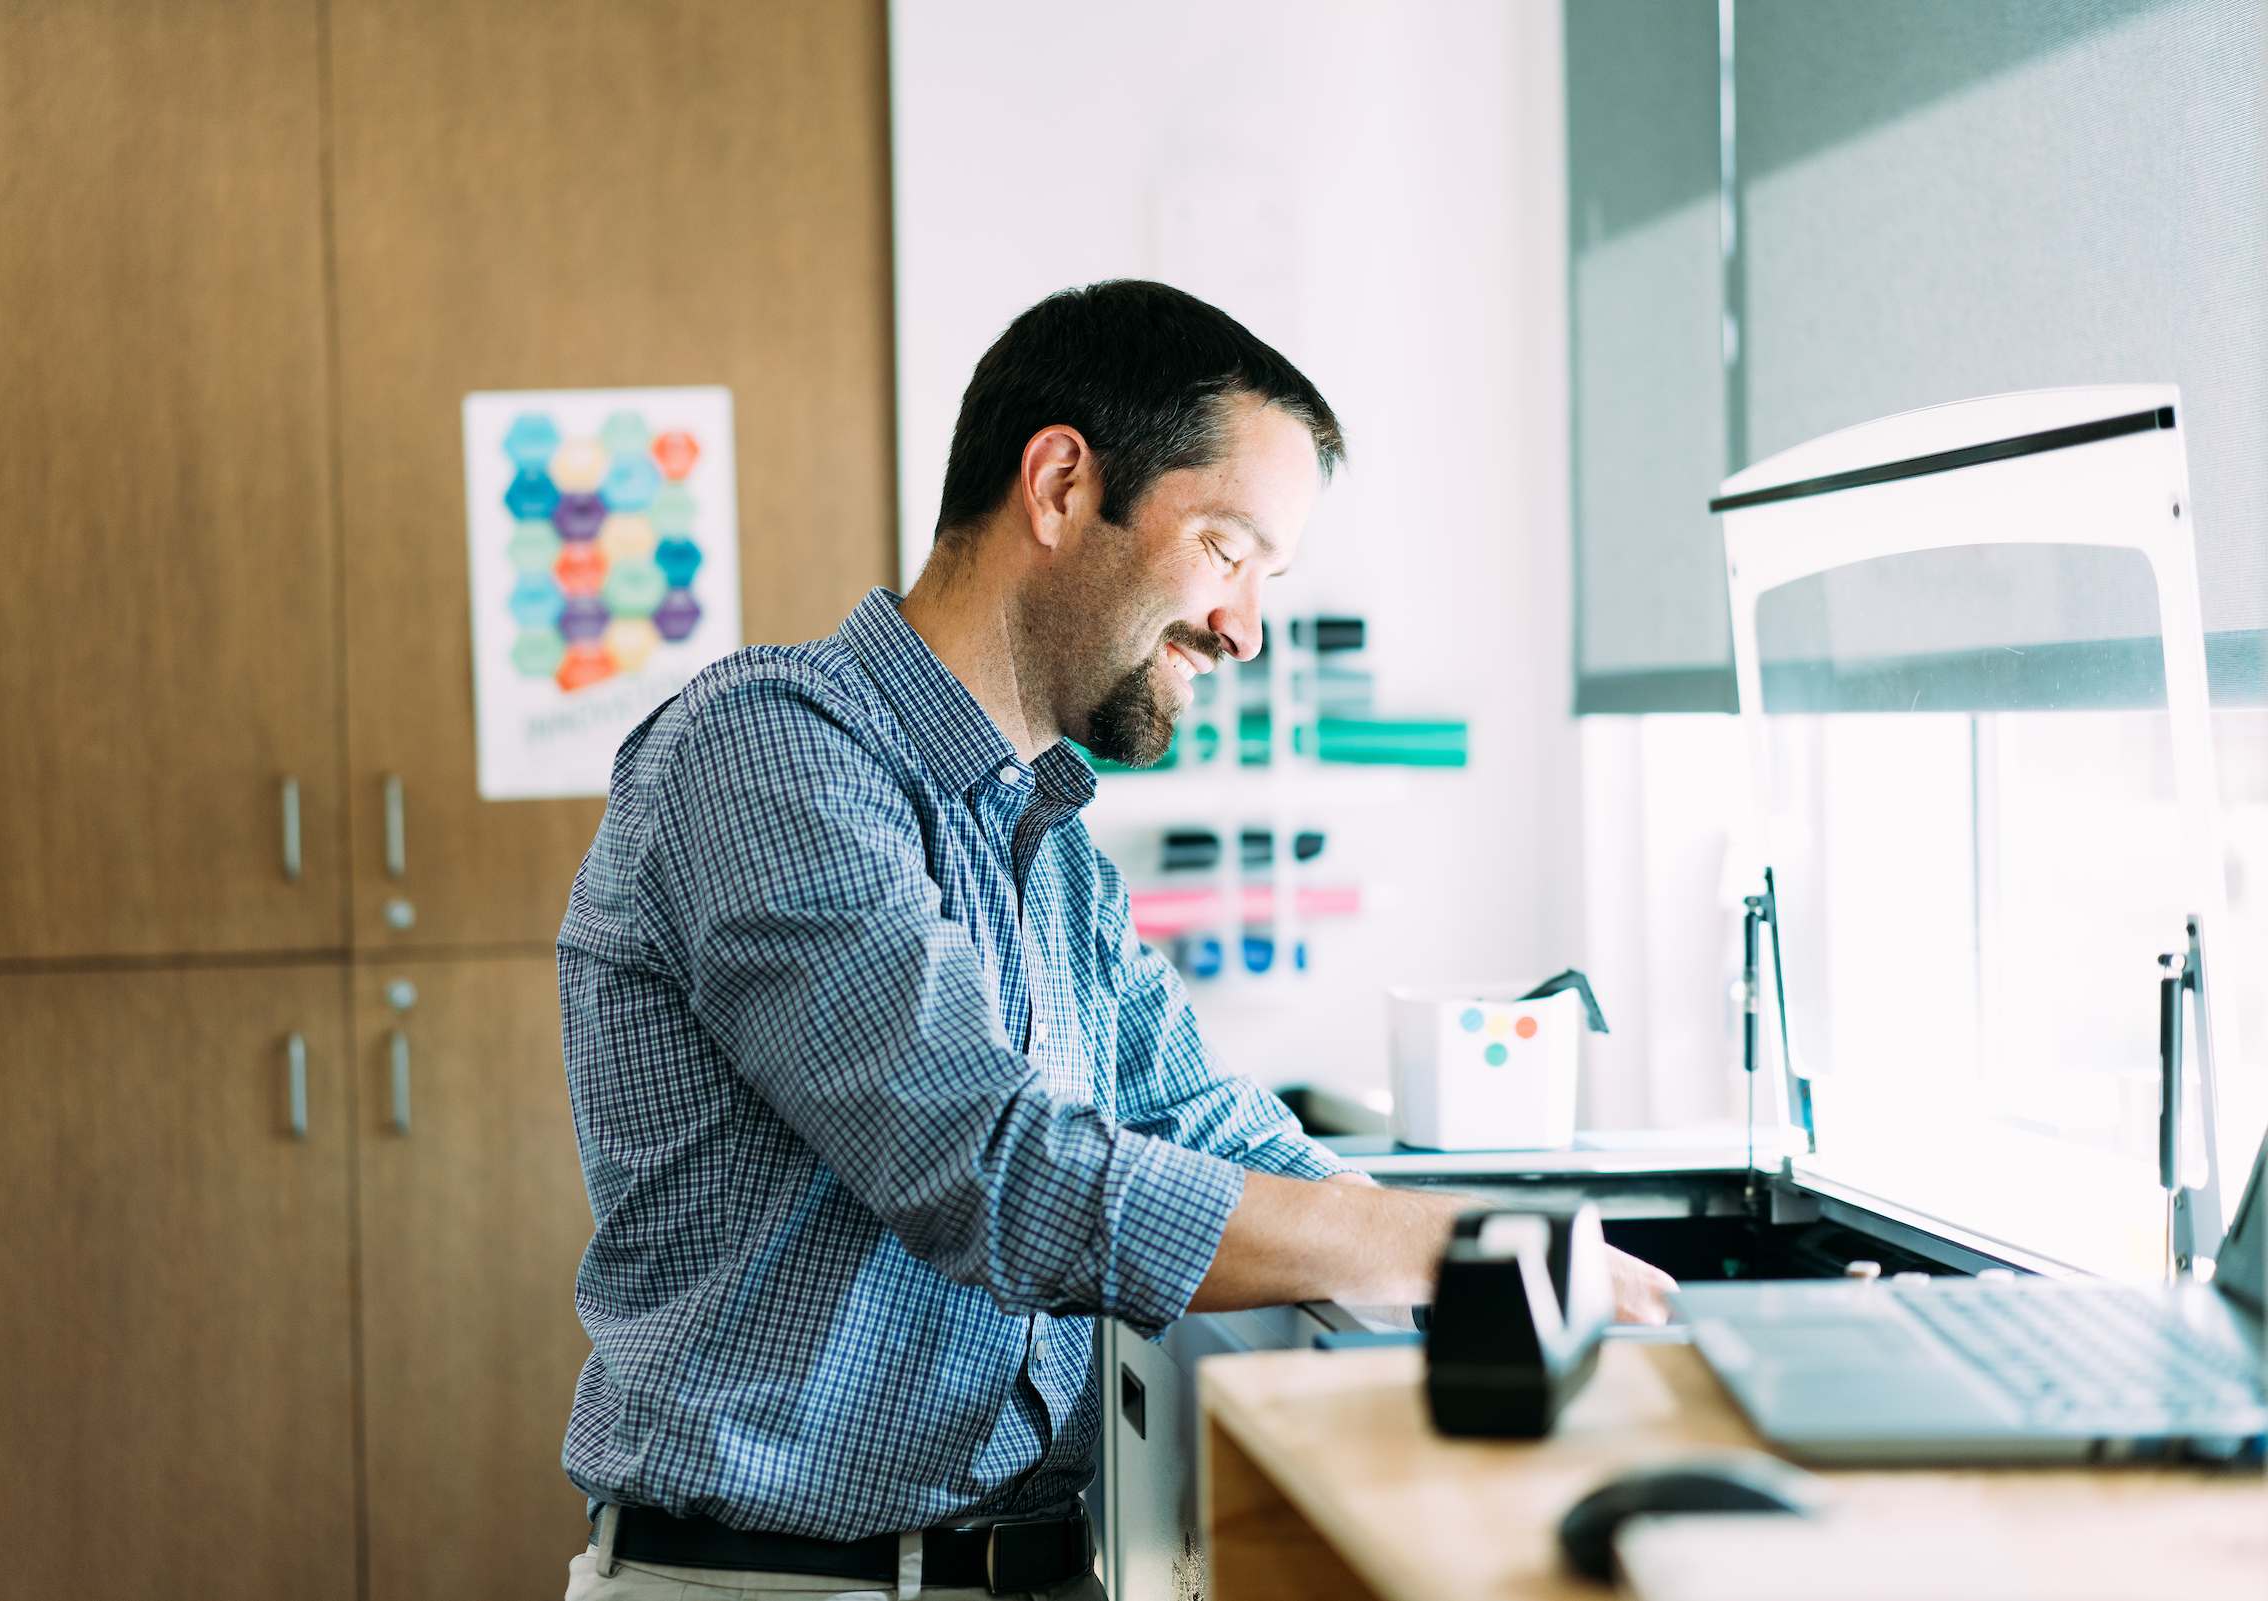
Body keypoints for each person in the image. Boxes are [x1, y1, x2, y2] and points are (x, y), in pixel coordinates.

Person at [555, 279, 1676, 1601]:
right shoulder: (767, 753)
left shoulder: (1055, 851)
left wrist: (1492, 1256)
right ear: (1063, 485)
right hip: (781, 1584)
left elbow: (1202, 1116)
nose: (1245, 627)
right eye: (1226, 548)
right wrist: (1444, 1243)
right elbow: (993, 1173)